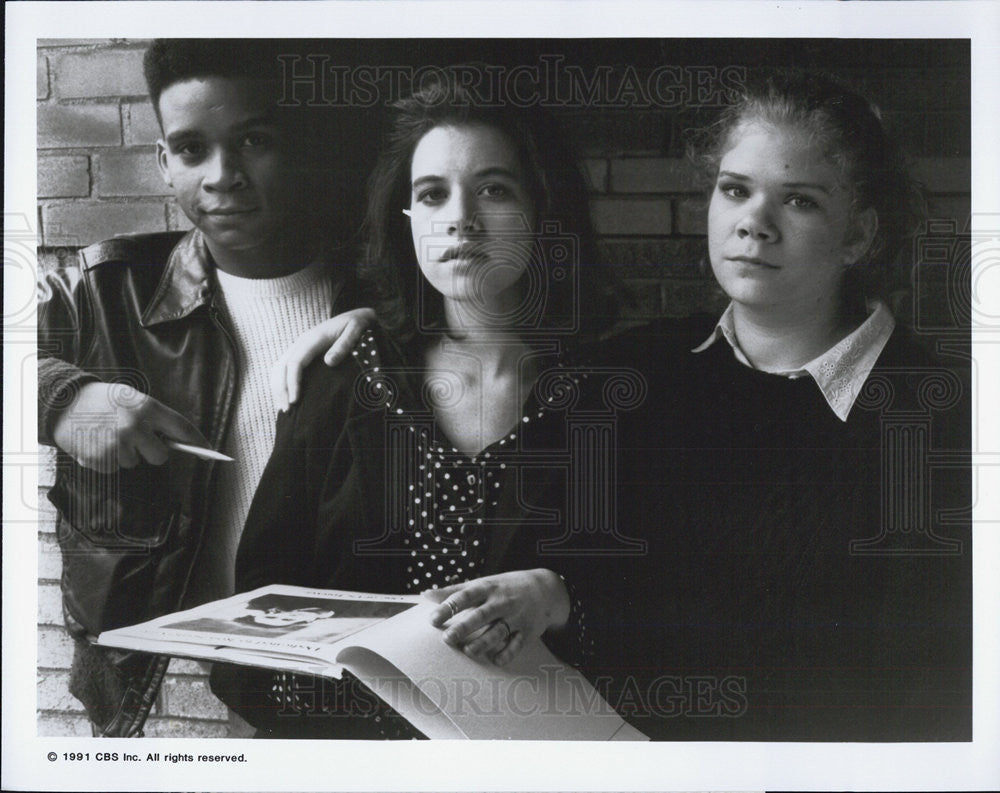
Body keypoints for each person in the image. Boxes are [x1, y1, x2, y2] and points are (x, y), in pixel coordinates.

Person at [210, 73, 629, 738]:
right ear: (406, 220)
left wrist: (560, 598)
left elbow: (664, 603)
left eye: (494, 188)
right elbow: (258, 603)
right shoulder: (348, 376)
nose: (460, 217)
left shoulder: (616, 391)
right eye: (432, 194)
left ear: (544, 208)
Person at [594, 69, 971, 741]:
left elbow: (938, 694)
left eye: (798, 201)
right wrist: (374, 334)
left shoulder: (942, 421)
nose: (753, 224)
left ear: (857, 235)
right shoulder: (642, 374)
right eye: (735, 189)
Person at [37, 39, 370, 737]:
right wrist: (58, 395)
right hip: (151, 690)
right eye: (191, 149)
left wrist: (387, 321)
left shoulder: (385, 296)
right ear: (163, 161)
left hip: (348, 685)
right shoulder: (105, 292)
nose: (223, 175)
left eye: (254, 140)